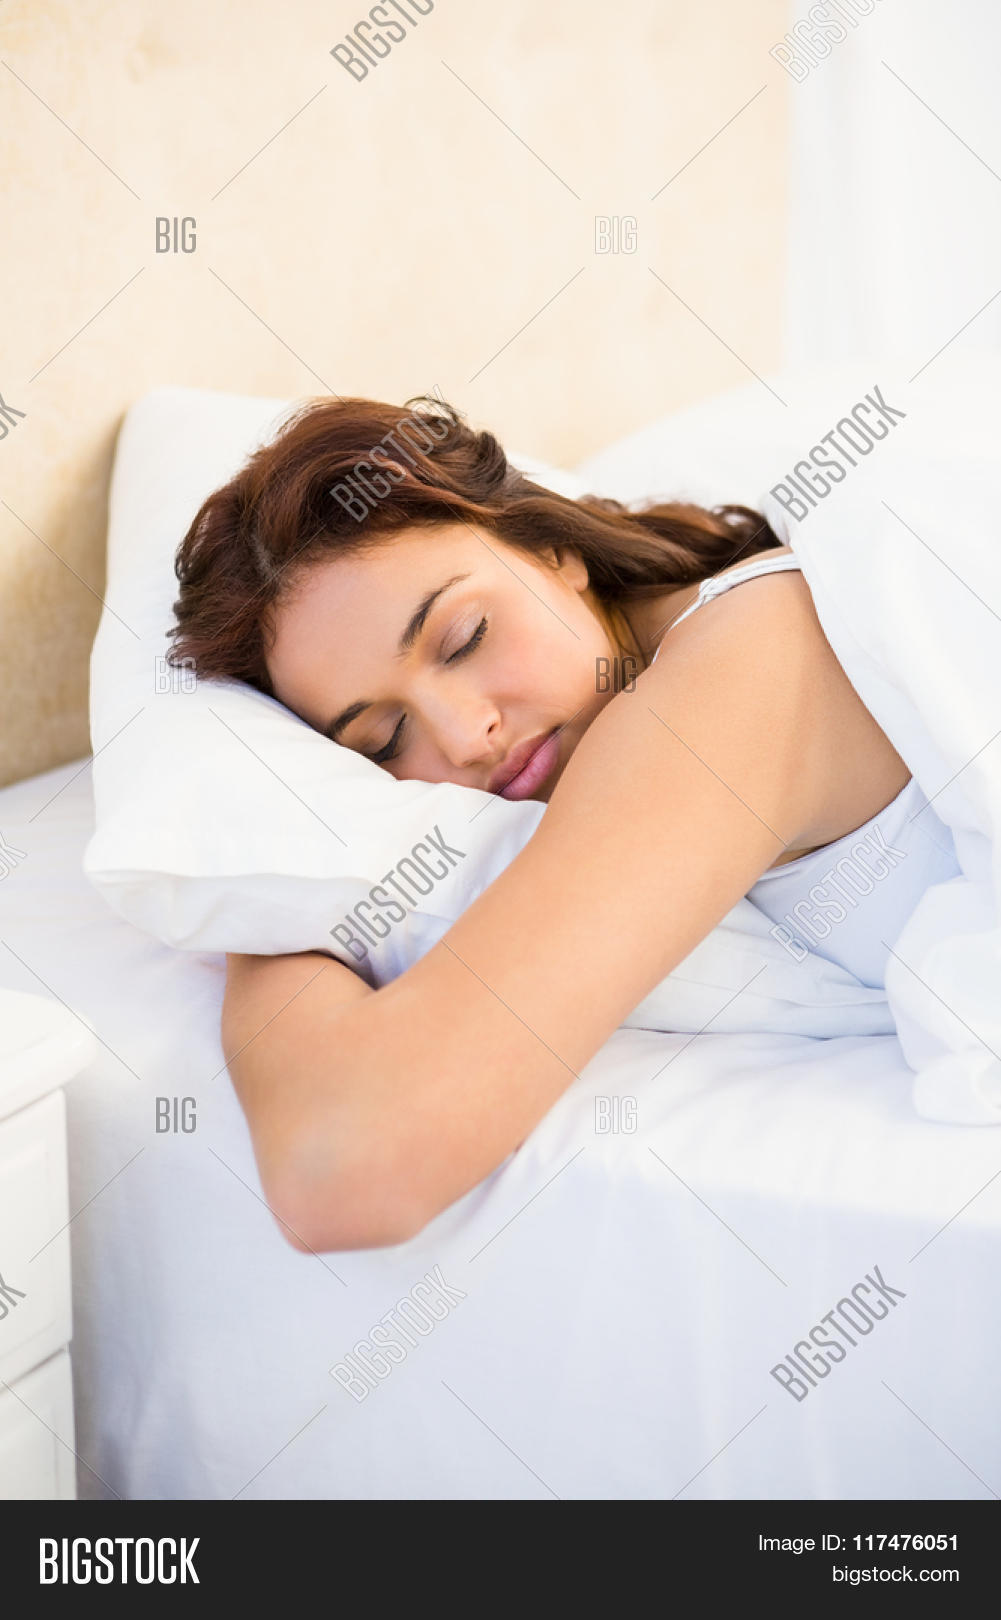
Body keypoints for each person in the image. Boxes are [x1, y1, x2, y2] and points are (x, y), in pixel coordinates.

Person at [167, 394, 958, 1252]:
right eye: (384, 739)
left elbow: (348, 1172)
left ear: (552, 551)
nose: (465, 736)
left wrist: (259, 922)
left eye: (464, 637)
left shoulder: (735, 667)